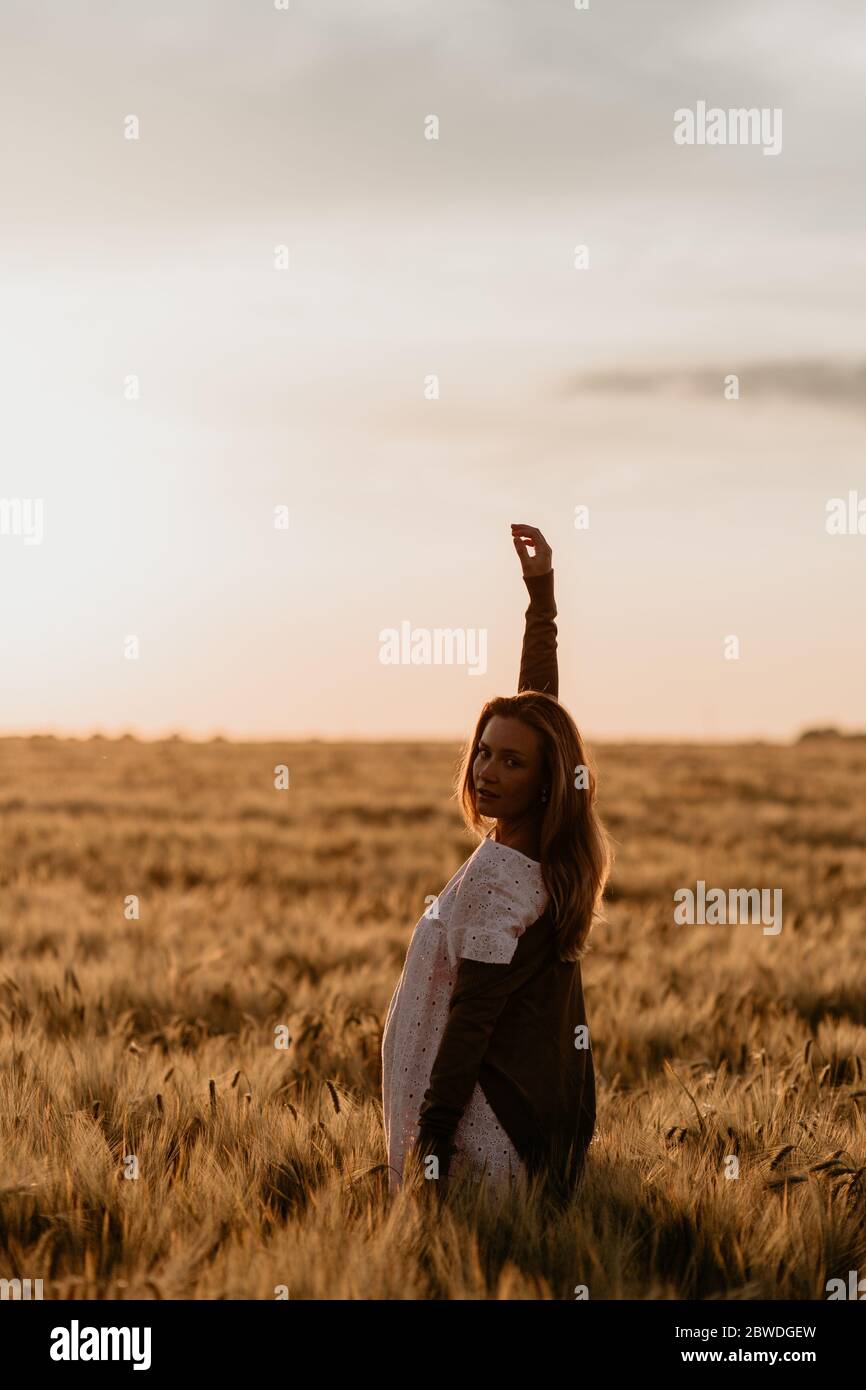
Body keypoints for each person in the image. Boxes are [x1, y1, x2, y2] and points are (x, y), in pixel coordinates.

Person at [381, 524, 612, 1196]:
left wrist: (432, 1142)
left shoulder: (499, 881)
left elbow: (470, 1022)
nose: (487, 770)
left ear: (542, 780)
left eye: (510, 763)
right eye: (484, 751)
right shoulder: (547, 841)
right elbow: (538, 717)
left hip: (476, 1131)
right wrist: (541, 600)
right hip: (522, 1120)